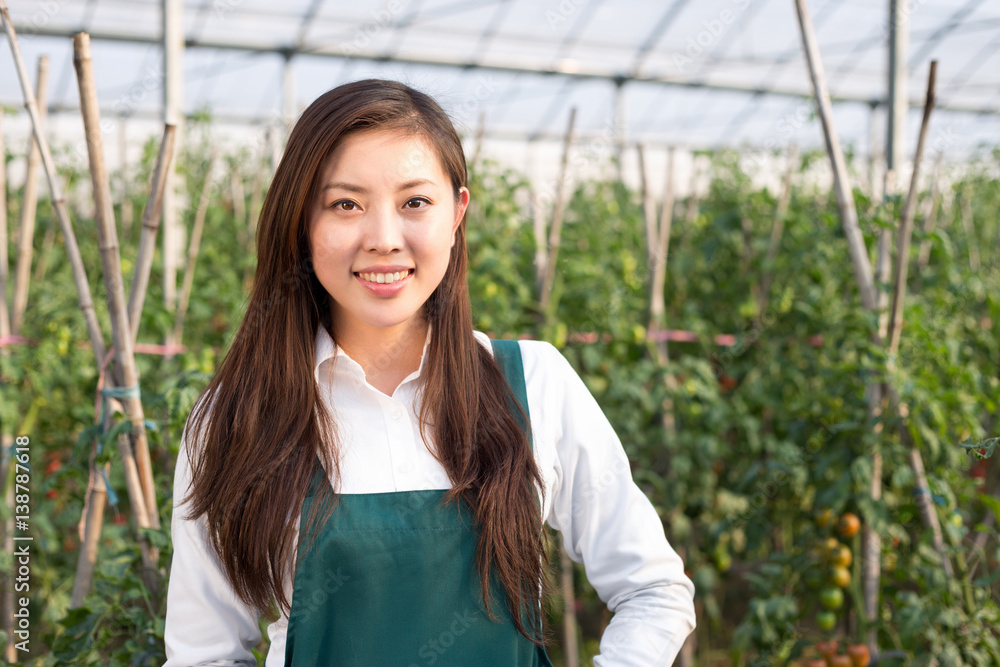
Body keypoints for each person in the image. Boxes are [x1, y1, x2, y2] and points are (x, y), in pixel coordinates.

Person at [163, 79, 695, 667]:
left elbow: (653, 589)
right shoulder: (236, 420)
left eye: (415, 202)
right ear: (302, 222)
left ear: (457, 213)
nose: (384, 239)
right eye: (346, 204)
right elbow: (204, 654)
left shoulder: (534, 384)